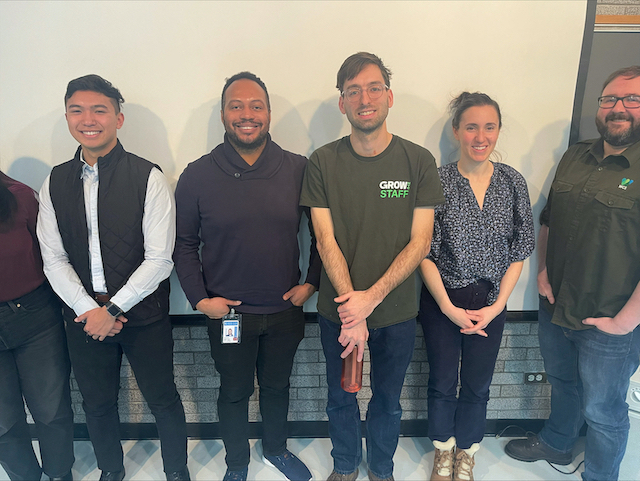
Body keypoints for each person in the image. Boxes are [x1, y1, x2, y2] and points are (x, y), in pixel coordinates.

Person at [36, 75, 189, 481]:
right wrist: (90, 310)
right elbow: (53, 259)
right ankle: (111, 470)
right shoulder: (54, 181)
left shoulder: (148, 177)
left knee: (163, 399)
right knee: (97, 403)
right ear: (68, 117)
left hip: (143, 312)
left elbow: (160, 259)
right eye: (77, 110)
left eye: (99, 110)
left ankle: (176, 471)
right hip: (83, 316)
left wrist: (115, 307)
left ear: (118, 119)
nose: (88, 119)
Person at [300, 52, 444, 481]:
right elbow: (325, 239)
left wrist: (370, 300)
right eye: (353, 91)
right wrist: (351, 308)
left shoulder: (418, 161)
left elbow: (421, 241)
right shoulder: (322, 162)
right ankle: (345, 467)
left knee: (388, 400)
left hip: (397, 313)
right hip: (337, 314)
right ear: (342, 103)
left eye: (374, 87)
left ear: (389, 96)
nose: (365, 98)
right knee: (339, 397)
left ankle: (381, 469)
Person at [173, 71, 321, 481]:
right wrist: (201, 301)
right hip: (229, 316)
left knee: (277, 388)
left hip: (284, 311)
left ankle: (275, 450)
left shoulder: (298, 169)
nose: (246, 114)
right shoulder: (197, 175)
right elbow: (184, 244)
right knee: (234, 392)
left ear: (269, 113)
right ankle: (236, 464)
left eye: (256, 105)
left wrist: (311, 283)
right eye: (236, 105)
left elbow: (325, 236)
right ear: (224, 114)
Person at [505, 66, 640, 481]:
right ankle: (558, 443)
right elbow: (548, 221)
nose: (618, 108)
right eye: (610, 99)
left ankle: (599, 476)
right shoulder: (574, 155)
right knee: (563, 383)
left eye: (631, 99)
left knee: (604, 411)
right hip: (556, 305)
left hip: (609, 319)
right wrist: (543, 272)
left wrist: (626, 320)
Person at [418, 93, 535, 481]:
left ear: (498, 131)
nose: (480, 136)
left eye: (489, 126)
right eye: (471, 126)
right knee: (442, 380)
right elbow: (424, 252)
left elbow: (520, 249)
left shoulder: (513, 182)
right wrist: (449, 309)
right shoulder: (437, 181)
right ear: (456, 131)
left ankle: (467, 452)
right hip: (443, 300)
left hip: (491, 301)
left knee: (478, 384)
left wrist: (499, 305)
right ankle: (443, 450)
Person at [0, 171, 75, 481]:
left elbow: (53, 256)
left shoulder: (20, 195)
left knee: (51, 410)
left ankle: (59, 474)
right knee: (2, 421)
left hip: (35, 317)